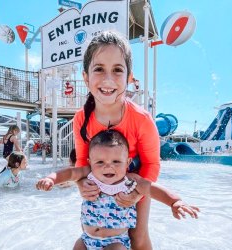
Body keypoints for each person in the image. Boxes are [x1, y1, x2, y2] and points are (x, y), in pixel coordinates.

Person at [72, 30, 199, 250]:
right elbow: (82, 160)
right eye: (99, 69)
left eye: (117, 70)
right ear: (86, 77)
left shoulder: (141, 119)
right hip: (100, 183)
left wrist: (137, 192)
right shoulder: (81, 118)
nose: (108, 79)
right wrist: (81, 183)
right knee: (93, 235)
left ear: (130, 78)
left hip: (133, 182)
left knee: (138, 236)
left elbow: (151, 163)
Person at [37, 130, 139, 249]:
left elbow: (152, 188)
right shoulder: (91, 173)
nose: (108, 166)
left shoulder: (129, 180)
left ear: (127, 162)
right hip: (87, 240)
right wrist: (51, 179)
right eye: (100, 162)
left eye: (116, 161)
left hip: (115, 242)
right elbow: (70, 173)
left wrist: (167, 203)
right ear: (90, 162)